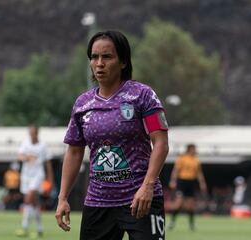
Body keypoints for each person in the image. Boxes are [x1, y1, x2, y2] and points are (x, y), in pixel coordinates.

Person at [55, 30, 169, 240]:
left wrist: (148, 187)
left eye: (107, 57)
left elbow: (161, 143)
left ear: (123, 61)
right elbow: (74, 151)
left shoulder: (143, 96)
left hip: (140, 200)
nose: (99, 63)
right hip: (99, 203)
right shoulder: (82, 104)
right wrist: (62, 198)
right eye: (94, 57)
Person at [16, 125, 54, 238]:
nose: (32, 135)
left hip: (38, 175)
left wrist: (50, 179)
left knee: (28, 198)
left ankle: (24, 228)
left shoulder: (43, 146)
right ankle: (39, 229)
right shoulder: (25, 143)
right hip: (26, 176)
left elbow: (48, 163)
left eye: (34, 133)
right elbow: (20, 156)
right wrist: (27, 157)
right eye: (30, 133)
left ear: (37, 133)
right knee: (34, 203)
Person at [168, 144, 207, 231]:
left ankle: (191, 224)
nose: (196, 151)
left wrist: (202, 183)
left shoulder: (196, 160)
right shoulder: (182, 159)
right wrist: (173, 181)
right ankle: (172, 222)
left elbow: (199, 173)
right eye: (194, 149)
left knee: (190, 206)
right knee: (179, 203)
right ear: (190, 149)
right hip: (182, 182)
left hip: (191, 183)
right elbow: (176, 170)